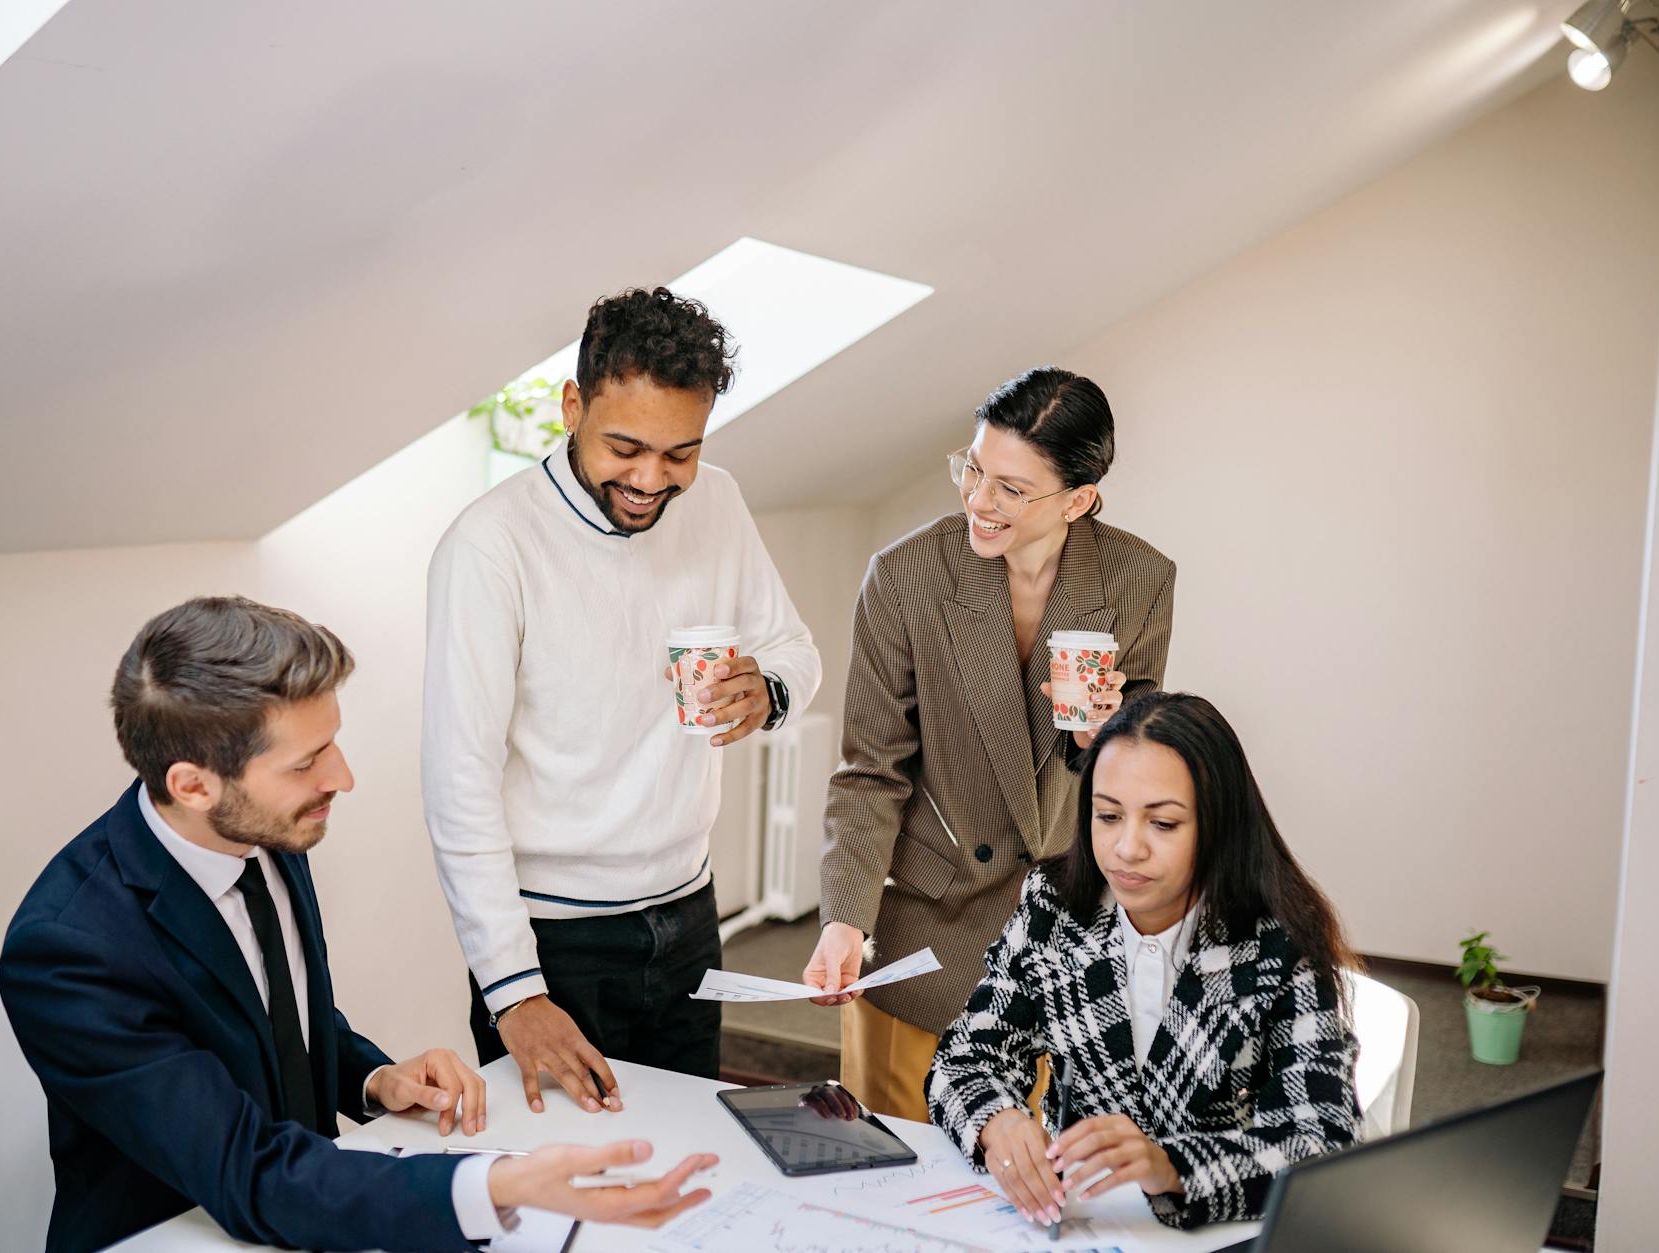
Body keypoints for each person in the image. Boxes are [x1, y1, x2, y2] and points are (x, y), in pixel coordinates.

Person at [0, 597, 715, 1253]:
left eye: (332, 743)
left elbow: (271, 1018)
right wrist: (491, 1186)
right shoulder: (69, 951)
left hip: (308, 1206)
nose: (341, 778)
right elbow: (248, 1172)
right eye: (306, 762)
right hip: (181, 1233)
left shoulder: (264, 832)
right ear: (193, 784)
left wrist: (372, 1078)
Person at [423, 287, 820, 1113]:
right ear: (573, 406)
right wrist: (513, 990)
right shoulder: (490, 546)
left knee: (694, 1154)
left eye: (680, 453)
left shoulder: (717, 501)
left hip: (690, 914)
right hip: (554, 940)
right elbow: (459, 785)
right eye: (626, 447)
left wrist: (770, 689)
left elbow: (794, 647)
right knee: (563, 1175)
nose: (650, 479)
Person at [805, 366, 1175, 1122]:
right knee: (896, 1156)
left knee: (1037, 1166)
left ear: (1078, 499)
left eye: (1011, 488)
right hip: (929, 925)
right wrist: (845, 917)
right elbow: (871, 771)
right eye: (973, 469)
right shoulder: (904, 577)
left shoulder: (1139, 578)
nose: (978, 500)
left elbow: (1139, 766)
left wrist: (1101, 737)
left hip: (1065, 925)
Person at [926, 692, 1362, 1231]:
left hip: (1223, 1229)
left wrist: (1171, 1167)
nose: (1127, 848)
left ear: (1219, 824)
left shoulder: (1279, 939)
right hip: (1080, 1222)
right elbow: (964, 1057)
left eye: (1164, 824)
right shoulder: (1054, 904)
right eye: (1108, 816)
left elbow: (1324, 1139)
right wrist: (999, 1123)